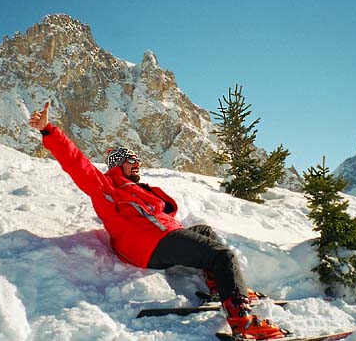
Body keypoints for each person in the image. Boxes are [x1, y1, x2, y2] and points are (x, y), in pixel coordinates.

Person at [29, 102, 287, 340]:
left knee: (204, 231)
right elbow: (78, 164)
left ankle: (222, 288)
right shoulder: (108, 188)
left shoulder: (138, 190)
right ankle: (241, 320)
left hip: (158, 239)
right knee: (222, 255)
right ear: (118, 165)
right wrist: (49, 131)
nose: (137, 165)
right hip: (149, 243)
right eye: (132, 161)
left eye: (138, 161)